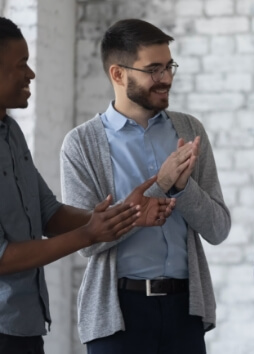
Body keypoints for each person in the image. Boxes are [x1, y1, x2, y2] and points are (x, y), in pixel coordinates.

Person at [0, 17, 173, 354]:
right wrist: (88, 235)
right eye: (21, 64)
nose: (31, 73)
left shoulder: (12, 133)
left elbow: (48, 213)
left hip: (26, 324)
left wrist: (129, 214)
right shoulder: (81, 142)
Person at [60, 19, 231, 353]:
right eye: (153, 69)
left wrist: (183, 189)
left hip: (185, 311)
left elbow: (218, 228)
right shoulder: (81, 144)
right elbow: (86, 243)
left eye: (169, 67)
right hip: (117, 315)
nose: (165, 78)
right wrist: (163, 184)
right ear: (118, 74)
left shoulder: (189, 129)